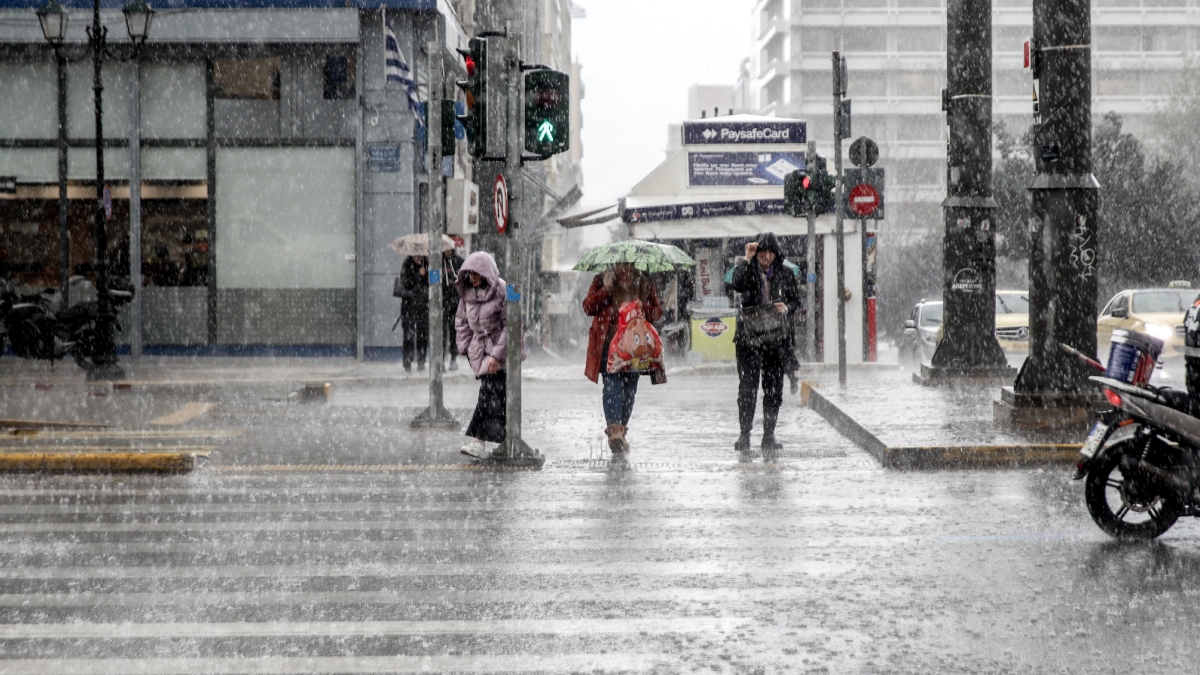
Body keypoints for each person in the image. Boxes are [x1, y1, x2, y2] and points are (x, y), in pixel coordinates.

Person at [727, 232, 802, 458]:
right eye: (762, 252)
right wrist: (747, 258)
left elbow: (795, 302)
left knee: (773, 389)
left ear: (776, 254)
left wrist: (785, 307)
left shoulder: (786, 273)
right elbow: (737, 284)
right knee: (747, 389)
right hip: (749, 339)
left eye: (770, 253)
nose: (766, 257)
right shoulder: (748, 270)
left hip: (776, 340)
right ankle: (745, 434)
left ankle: (769, 435)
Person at [583, 262, 663, 453]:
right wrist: (606, 289)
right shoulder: (602, 279)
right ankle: (614, 433)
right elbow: (588, 307)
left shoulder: (643, 282)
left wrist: (643, 307)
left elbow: (657, 312)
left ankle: (620, 431)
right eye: (619, 263)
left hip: (635, 349)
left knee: (629, 391)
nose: (623, 267)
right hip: (608, 345)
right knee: (612, 387)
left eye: (626, 263)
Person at [456, 252, 508, 459]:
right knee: (493, 394)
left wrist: (496, 355)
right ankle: (501, 440)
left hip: (499, 352)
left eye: (477, 275)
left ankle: (480, 441)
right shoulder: (467, 294)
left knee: (492, 394)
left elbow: (510, 326)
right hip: (480, 351)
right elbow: (461, 321)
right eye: (470, 275)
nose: (474, 279)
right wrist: (467, 347)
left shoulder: (503, 290)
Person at [398, 254, 430, 372]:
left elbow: (431, 283)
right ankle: (407, 360)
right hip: (409, 306)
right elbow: (405, 283)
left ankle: (421, 360)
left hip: (423, 306)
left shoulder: (427, 265)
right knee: (409, 334)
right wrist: (418, 275)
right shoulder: (406, 266)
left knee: (423, 334)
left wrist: (426, 274)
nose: (418, 258)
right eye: (415, 256)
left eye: (420, 256)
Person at [442, 247, 465, 371]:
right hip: (442, 302)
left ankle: (453, 357)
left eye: (450, 250)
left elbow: (465, 275)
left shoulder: (458, 261)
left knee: (453, 331)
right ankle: (441, 358)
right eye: (446, 250)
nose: (448, 252)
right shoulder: (438, 262)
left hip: (454, 302)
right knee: (441, 332)